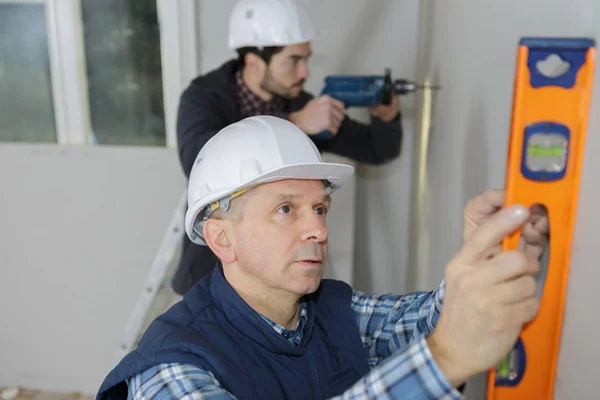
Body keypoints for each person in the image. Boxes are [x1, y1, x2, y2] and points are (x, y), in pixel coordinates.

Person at [97, 116, 549, 400]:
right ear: (221, 239)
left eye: (319, 209)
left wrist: (485, 254)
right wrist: (444, 360)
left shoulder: (331, 311)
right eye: (285, 209)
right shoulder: (172, 366)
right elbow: (444, 343)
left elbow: (424, 319)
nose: (317, 228)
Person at [172, 0, 404, 296]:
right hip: (212, 274)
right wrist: (294, 123)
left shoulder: (300, 101)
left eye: (306, 59)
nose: (305, 72)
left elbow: (375, 150)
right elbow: (196, 160)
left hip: (281, 278)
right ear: (254, 62)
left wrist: (387, 119)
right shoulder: (204, 97)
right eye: (293, 60)